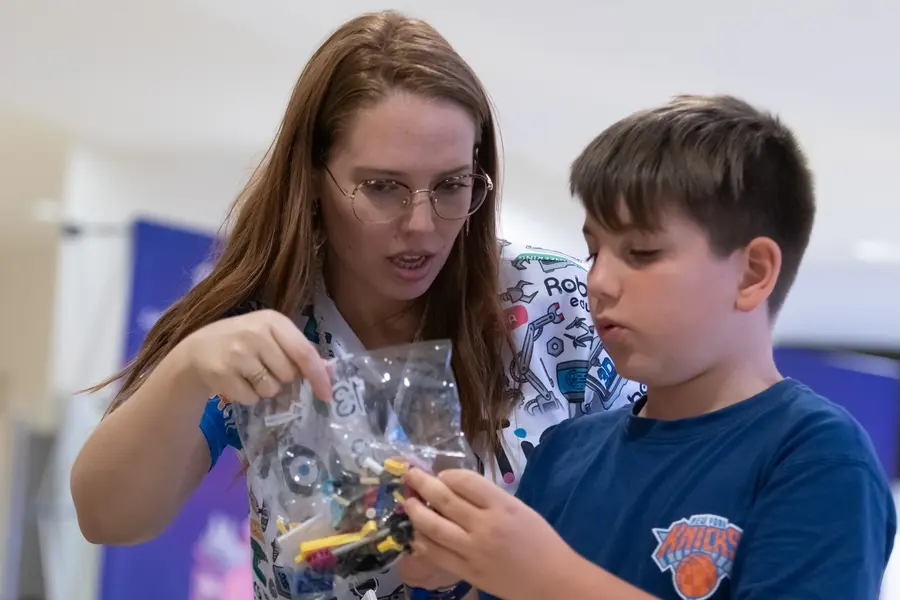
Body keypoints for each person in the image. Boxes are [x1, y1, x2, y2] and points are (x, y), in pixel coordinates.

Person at [69, 10, 642, 600]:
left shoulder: (558, 300)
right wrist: (188, 367)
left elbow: (668, 510)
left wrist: (503, 564)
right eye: (382, 187)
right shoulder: (267, 322)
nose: (421, 226)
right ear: (313, 179)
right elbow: (105, 517)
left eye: (451, 185)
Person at [400, 94, 897, 599]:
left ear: (752, 273)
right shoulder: (566, 453)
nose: (599, 282)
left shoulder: (817, 456)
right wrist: (452, 556)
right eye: (594, 251)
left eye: (641, 252)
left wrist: (547, 578)